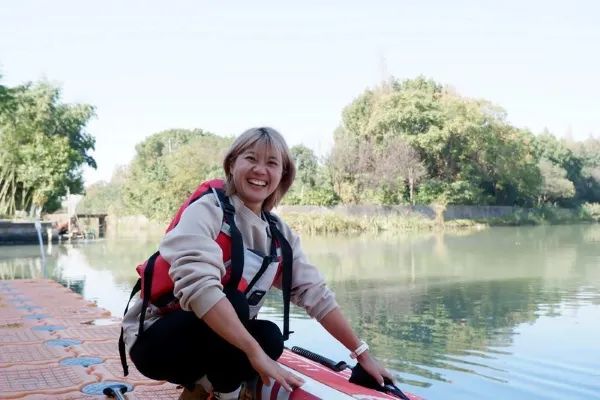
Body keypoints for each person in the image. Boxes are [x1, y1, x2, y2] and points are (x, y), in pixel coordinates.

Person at [121, 127, 393, 400]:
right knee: (236, 307)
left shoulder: (279, 235)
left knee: (270, 337)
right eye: (251, 158)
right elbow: (200, 288)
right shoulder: (207, 210)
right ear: (232, 164)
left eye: (272, 163)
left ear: (283, 175)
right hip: (156, 339)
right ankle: (223, 392)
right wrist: (254, 354)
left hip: (212, 341)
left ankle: (200, 390)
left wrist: (362, 354)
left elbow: (317, 295)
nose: (260, 170)